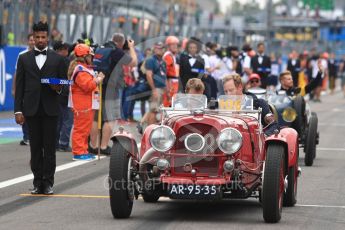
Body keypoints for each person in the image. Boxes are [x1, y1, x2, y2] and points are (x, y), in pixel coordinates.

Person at [14, 21, 67, 195]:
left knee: (50, 148)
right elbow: (20, 86)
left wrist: (57, 87)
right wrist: (18, 110)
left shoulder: (58, 59)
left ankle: (48, 183)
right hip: (31, 110)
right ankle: (38, 183)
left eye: (43, 37)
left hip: (51, 109)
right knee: (35, 148)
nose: (40, 40)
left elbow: (64, 84)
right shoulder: (23, 58)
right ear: (33, 39)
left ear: (48, 38)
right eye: (37, 37)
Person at [89, 33, 137, 155]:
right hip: (111, 88)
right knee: (110, 119)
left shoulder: (101, 48)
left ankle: (93, 145)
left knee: (96, 118)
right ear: (121, 43)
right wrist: (131, 47)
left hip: (97, 85)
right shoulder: (116, 51)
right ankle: (104, 146)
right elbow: (133, 63)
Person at [68, 44, 104, 160]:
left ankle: (83, 150)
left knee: (85, 129)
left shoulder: (85, 68)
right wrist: (98, 79)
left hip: (88, 103)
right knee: (81, 129)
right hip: (82, 104)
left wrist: (96, 78)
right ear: (84, 56)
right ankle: (78, 152)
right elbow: (87, 86)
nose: (92, 58)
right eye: (90, 56)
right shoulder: (80, 69)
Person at [12, 33, 35, 146]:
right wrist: (14, 89)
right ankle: (26, 137)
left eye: (33, 40)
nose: (32, 42)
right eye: (30, 40)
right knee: (25, 113)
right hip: (25, 89)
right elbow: (17, 73)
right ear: (28, 41)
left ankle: (34, 136)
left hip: (35, 89)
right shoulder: (22, 55)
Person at [140, 42, 167, 126]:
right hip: (156, 88)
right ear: (154, 49)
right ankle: (149, 130)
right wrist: (153, 89)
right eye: (157, 48)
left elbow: (164, 75)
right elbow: (149, 75)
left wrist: (166, 88)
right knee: (153, 110)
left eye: (161, 48)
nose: (159, 50)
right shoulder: (151, 60)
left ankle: (149, 127)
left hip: (162, 88)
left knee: (158, 110)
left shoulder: (162, 61)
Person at [53, 41, 73, 152]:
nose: (67, 51)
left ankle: (55, 143)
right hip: (65, 94)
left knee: (58, 120)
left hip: (55, 93)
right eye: (65, 49)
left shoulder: (51, 60)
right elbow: (68, 78)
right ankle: (64, 143)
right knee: (68, 120)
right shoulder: (66, 61)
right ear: (60, 50)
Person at [163, 36, 180, 107]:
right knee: (168, 103)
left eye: (176, 44)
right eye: (172, 44)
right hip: (170, 82)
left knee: (172, 103)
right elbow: (165, 73)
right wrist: (167, 87)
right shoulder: (168, 56)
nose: (175, 46)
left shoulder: (173, 56)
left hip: (174, 82)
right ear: (168, 46)